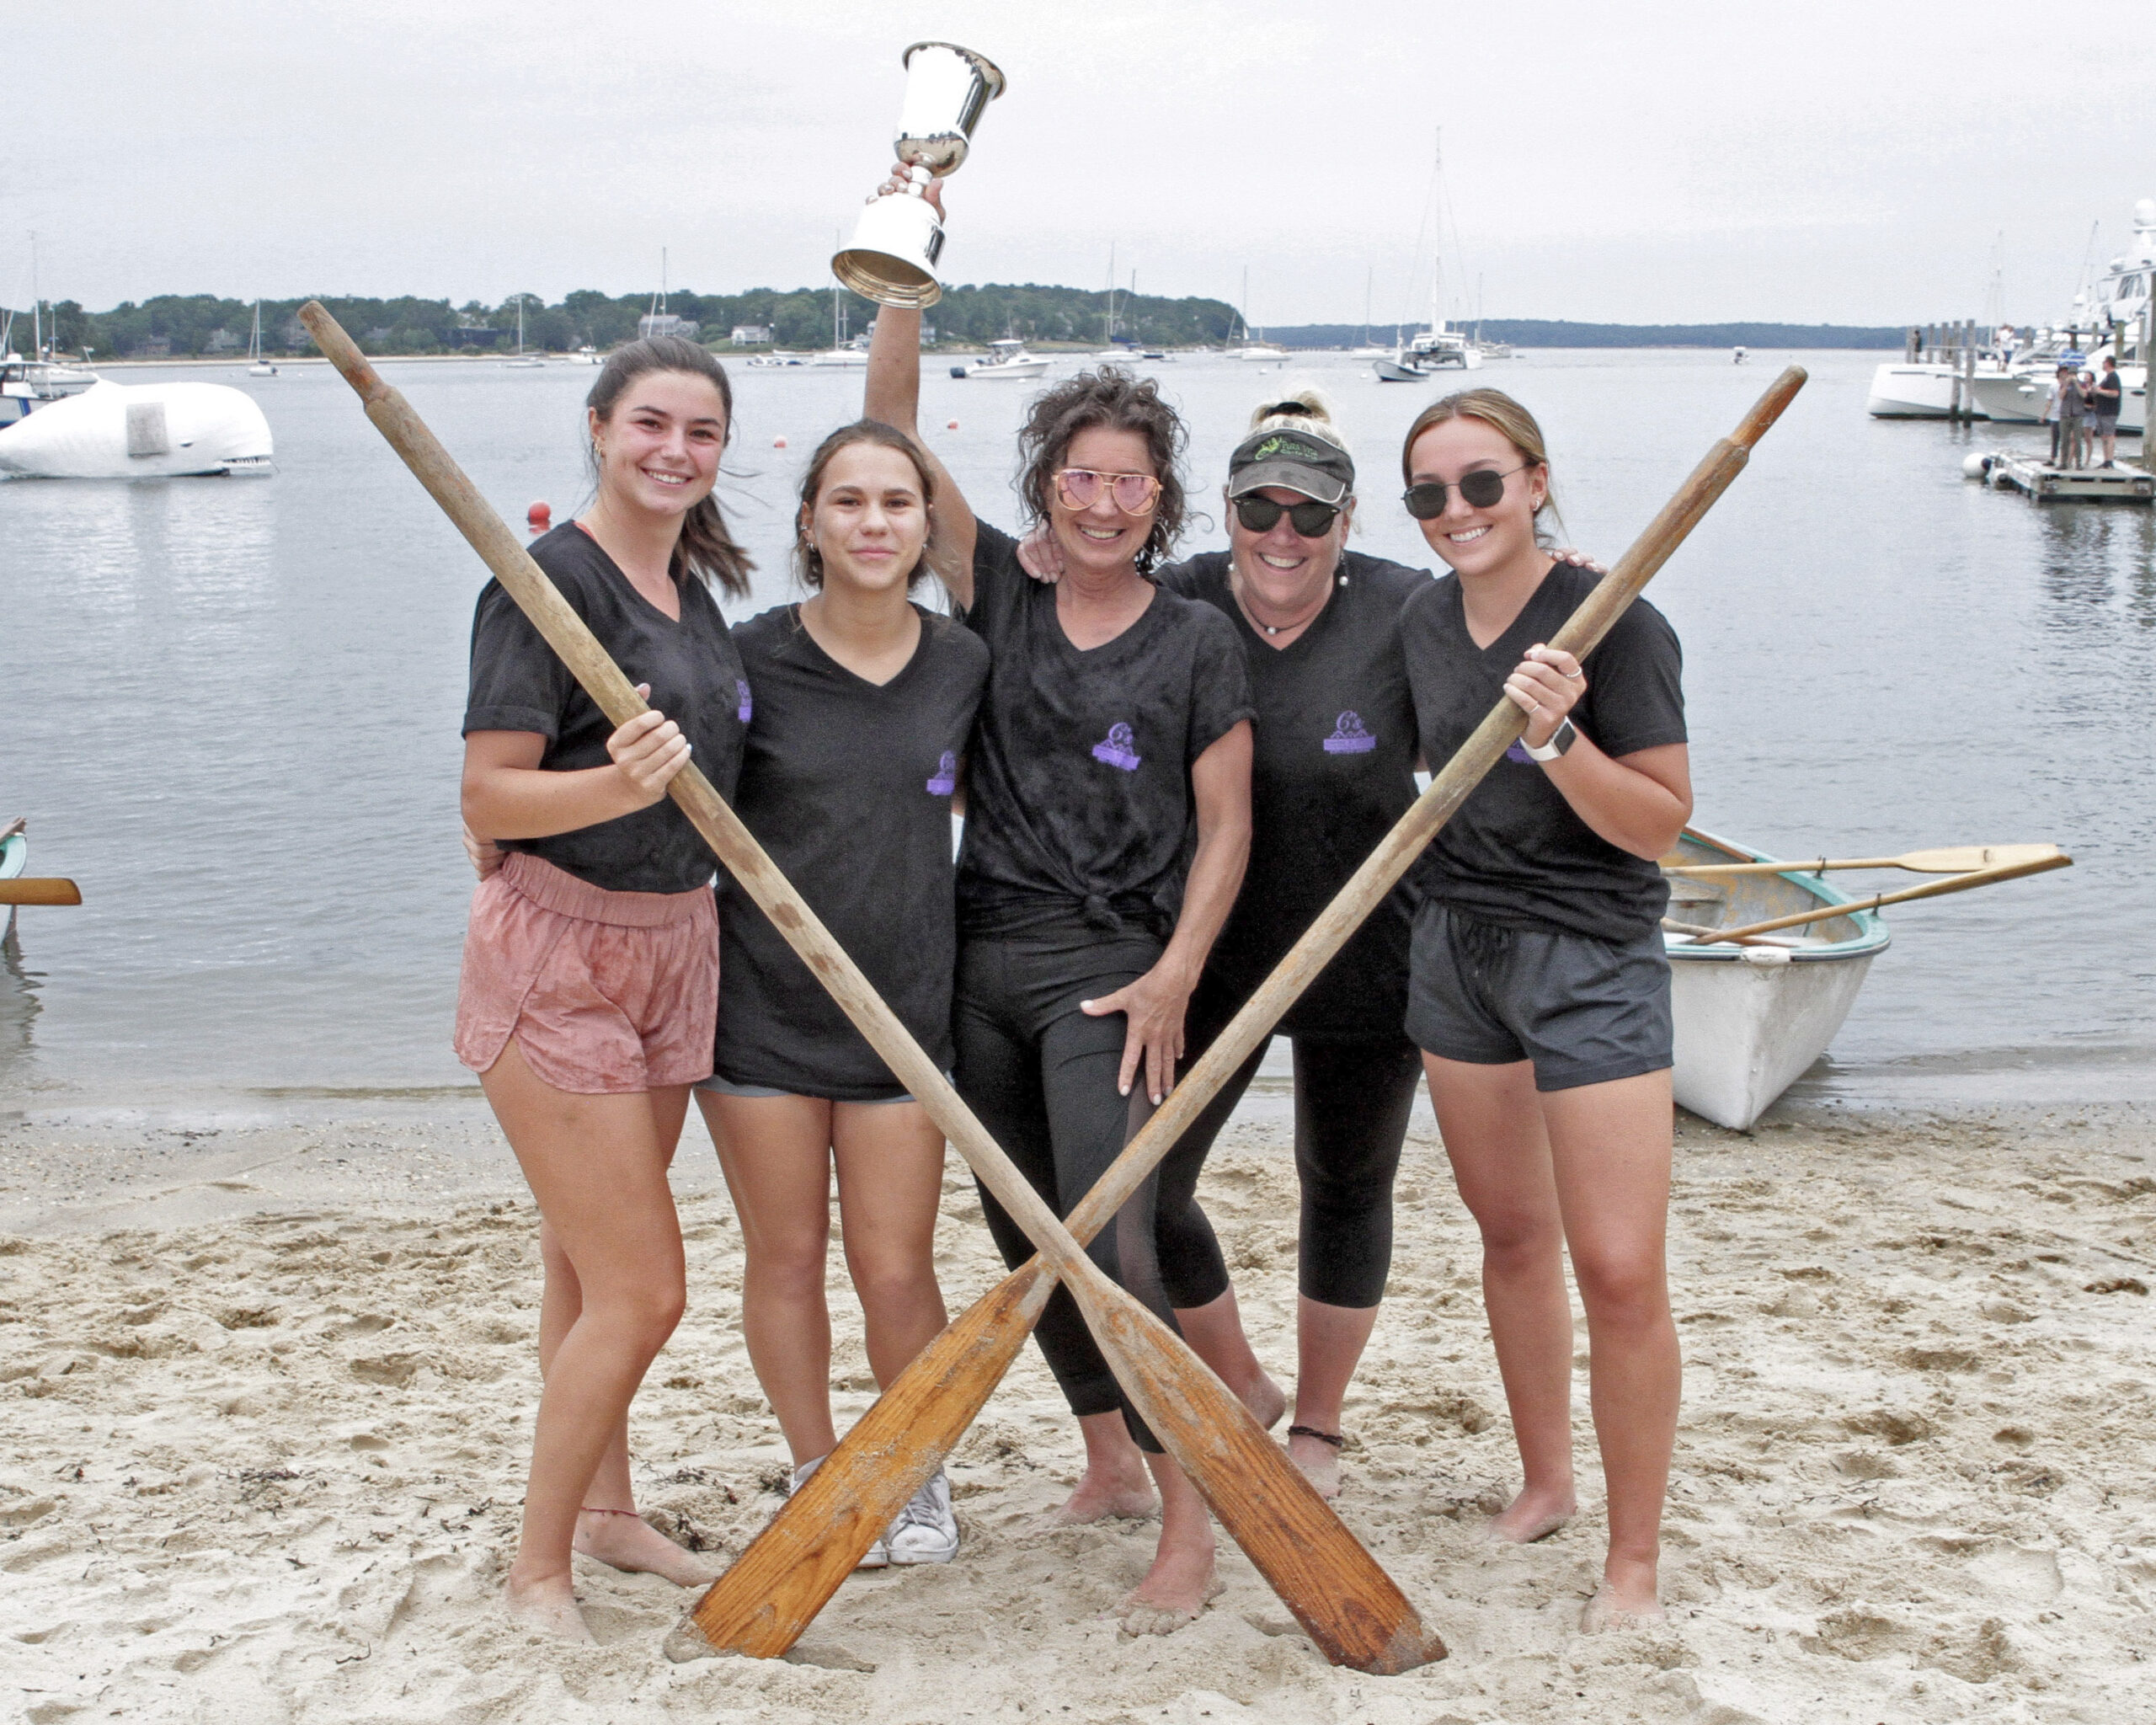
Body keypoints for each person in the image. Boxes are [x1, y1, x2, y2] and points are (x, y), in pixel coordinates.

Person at [866, 172, 1255, 1636]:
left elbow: (1229, 827)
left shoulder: (1199, 638)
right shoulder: (1001, 596)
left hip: (1117, 972)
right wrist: (908, 257)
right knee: (1024, 1237)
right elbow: (890, 435)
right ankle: (1107, 1458)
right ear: (1046, 487)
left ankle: (1193, 1516)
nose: (1102, 498)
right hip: (983, 961)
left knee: (1121, 1235)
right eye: (1079, 475)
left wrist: (1174, 979)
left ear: (1162, 498)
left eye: (1130, 478)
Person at [1015, 392, 1430, 1500]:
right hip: (1206, 954)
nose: (1283, 536)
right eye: (1261, 510)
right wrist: (1043, 552)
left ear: (1348, 522)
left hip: (1367, 949)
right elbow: (1075, 595)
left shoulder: (1407, 610)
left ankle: (1323, 1428)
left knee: (1344, 1180)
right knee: (1146, 1187)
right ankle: (1241, 1380)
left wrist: (1564, 576)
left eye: (1311, 513)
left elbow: (1514, 642)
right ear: (1229, 513)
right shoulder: (1184, 596)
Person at [456, 335, 753, 1640]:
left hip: (676, 945)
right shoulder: (545, 584)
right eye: (650, 424)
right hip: (560, 953)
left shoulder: (690, 586)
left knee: (585, 1272)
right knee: (646, 1289)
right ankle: (537, 1574)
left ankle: (607, 1515)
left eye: (700, 430)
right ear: (597, 428)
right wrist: (615, 786)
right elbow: (488, 795)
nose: (674, 450)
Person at [1395, 387, 1692, 1632]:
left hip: (1590, 955)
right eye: (1429, 495)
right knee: (1511, 1237)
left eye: (1480, 484)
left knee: (1619, 1268)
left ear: (1534, 481)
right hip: (1457, 949)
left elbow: (1663, 824)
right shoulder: (1416, 621)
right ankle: (1547, 1479)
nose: (1457, 512)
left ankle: (1634, 1556)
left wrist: (1560, 738)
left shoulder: (1616, 623)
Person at [696, 419, 989, 1567]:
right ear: (811, 523)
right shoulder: (746, 658)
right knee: (784, 1257)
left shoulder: (964, 660)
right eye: (849, 502)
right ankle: (822, 1471)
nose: (874, 523)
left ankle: (909, 1475)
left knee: (896, 1264)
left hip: (906, 1016)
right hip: (760, 1008)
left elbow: (988, 801)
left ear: (925, 525)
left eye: (897, 503)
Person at [2042, 364, 2084, 469]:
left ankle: (2078, 463)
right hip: (2065, 414)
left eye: (2073, 374)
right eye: (2070, 374)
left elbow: (2084, 395)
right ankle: (2063, 462)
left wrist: (2076, 382)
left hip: (2077, 414)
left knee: (2077, 439)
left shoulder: (2081, 384)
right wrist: (2066, 384)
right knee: (2064, 440)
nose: (2071, 376)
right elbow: (2061, 396)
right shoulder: (2064, 384)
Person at [2089, 358, 2123, 467]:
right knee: (2103, 435)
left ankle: (2110, 461)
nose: (2103, 364)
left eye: (2104, 362)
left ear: (2108, 364)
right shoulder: (2107, 377)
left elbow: (2115, 393)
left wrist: (2099, 391)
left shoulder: (2113, 377)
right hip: (2101, 411)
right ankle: (2106, 460)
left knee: (2109, 435)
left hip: (2109, 411)